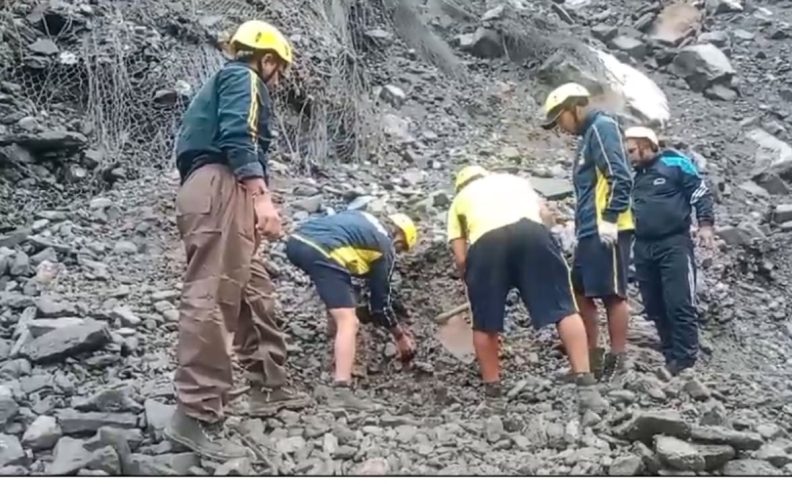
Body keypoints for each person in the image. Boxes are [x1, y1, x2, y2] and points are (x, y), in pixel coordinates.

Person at [164, 20, 300, 461]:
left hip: (216, 191)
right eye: (277, 69)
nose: (277, 79)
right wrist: (261, 198)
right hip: (223, 187)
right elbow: (239, 134)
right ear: (266, 59)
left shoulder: (225, 81)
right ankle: (194, 414)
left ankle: (267, 384)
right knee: (213, 296)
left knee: (248, 286)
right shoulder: (243, 77)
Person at [446, 165, 598, 401]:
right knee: (564, 307)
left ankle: (493, 396)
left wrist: (473, 279)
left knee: (484, 324)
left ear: (460, 186)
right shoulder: (514, 181)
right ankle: (586, 382)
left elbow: (461, 257)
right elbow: (546, 217)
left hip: (486, 245)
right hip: (533, 233)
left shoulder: (459, 200)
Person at [542, 83, 634, 381]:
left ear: (575, 107)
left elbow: (620, 176)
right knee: (579, 289)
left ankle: (619, 362)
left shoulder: (601, 127)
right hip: (589, 229)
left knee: (612, 293)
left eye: (561, 120)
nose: (561, 129)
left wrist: (609, 217)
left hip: (607, 228)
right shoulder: (586, 137)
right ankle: (591, 359)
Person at [284, 210, 418, 409]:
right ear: (399, 236)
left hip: (296, 241)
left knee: (337, 286)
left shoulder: (364, 217)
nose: (397, 253)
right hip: (324, 250)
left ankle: (332, 339)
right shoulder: (386, 246)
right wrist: (399, 336)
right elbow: (380, 306)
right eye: (401, 248)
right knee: (349, 320)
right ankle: (341, 389)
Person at [625, 126, 715, 376]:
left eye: (632, 150)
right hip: (643, 246)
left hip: (673, 243)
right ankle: (669, 353)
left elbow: (700, 191)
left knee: (679, 301)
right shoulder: (634, 176)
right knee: (653, 304)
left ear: (647, 144)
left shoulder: (674, 163)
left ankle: (685, 360)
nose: (629, 155)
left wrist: (705, 225)